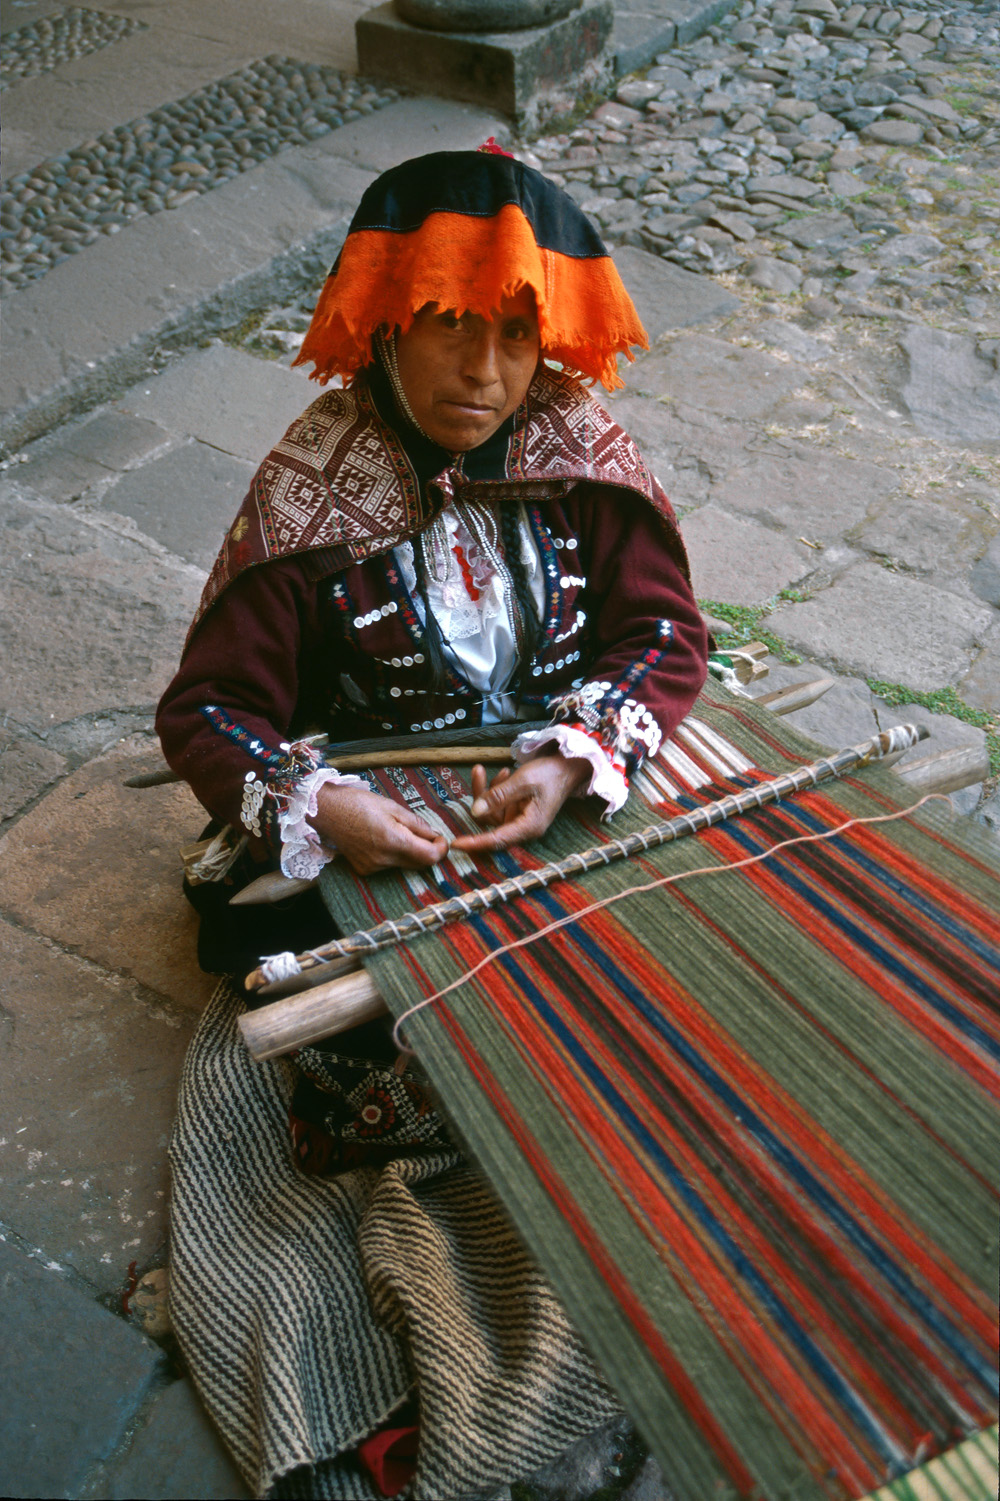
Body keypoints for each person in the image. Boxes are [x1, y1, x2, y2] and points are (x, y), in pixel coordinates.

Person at [156, 144, 709, 1500]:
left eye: (517, 336)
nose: (486, 374)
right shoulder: (312, 482)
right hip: (380, 818)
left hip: (542, 794)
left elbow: (664, 637)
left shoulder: (585, 453)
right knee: (354, 1014)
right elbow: (208, 711)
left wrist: (577, 763)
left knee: (699, 945)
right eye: (452, 330)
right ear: (388, 320)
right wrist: (327, 806)